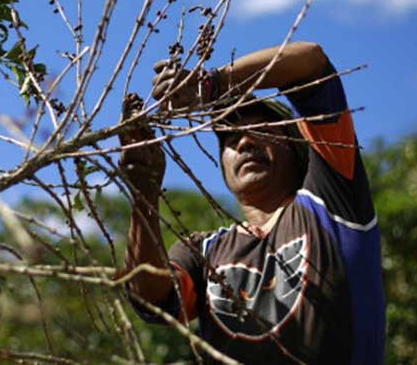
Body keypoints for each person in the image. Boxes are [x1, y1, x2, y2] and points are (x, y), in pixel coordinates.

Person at [120, 42, 385, 364]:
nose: (244, 141)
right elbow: (151, 298)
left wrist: (211, 85)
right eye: (230, 139)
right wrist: (143, 192)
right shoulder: (204, 252)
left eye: (259, 130)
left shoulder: (330, 201)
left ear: (295, 147)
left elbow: (312, 63)